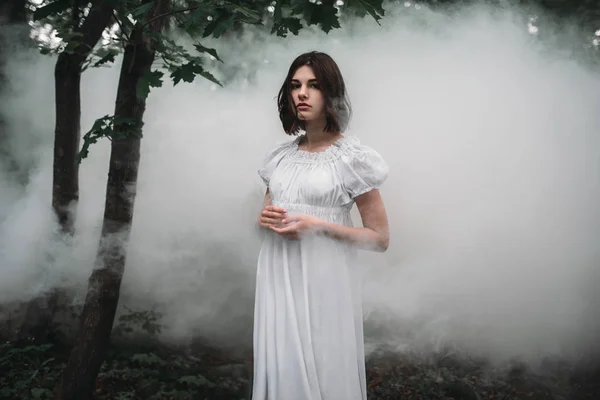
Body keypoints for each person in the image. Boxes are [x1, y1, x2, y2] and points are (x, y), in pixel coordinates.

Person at [252, 51, 390, 400]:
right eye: (295, 85)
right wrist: (263, 219)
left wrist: (319, 226)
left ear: (331, 94)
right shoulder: (279, 157)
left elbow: (379, 238)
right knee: (283, 369)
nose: (302, 93)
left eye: (313, 86)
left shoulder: (351, 158)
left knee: (325, 370)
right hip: (279, 278)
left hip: (326, 283)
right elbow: (269, 216)